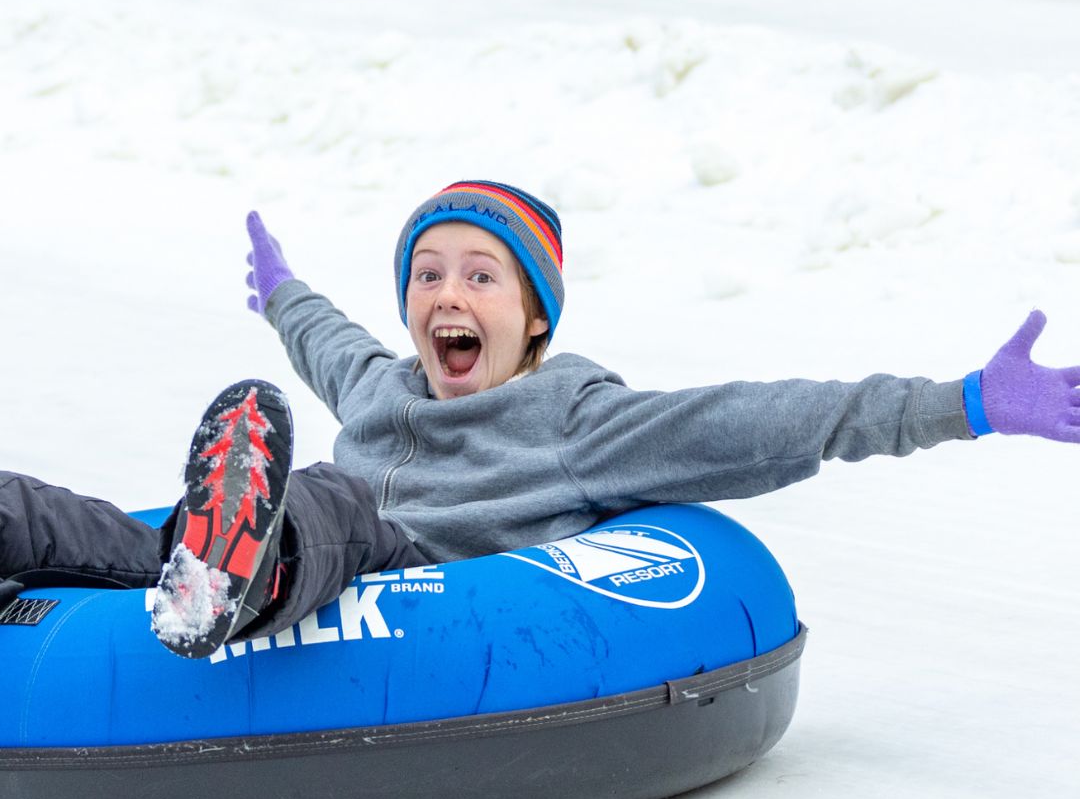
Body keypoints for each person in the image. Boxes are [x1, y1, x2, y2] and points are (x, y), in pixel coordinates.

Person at [2, 180, 1078, 658]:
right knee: (122, 537)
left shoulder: (574, 417)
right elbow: (328, 342)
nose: (446, 296)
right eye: (426, 274)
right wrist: (284, 292)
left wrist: (964, 405)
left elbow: (761, 421)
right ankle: (56, 527)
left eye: (481, 274)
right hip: (278, 534)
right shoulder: (386, 384)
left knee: (322, 503)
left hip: (408, 559)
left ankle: (244, 572)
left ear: (532, 320)